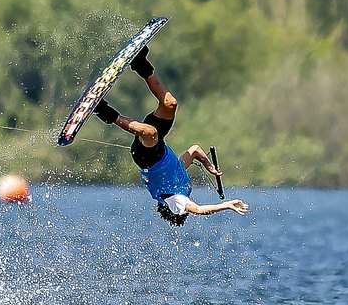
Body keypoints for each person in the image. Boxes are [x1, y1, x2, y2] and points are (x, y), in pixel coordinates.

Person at [93, 49, 250, 226]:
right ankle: (140, 64)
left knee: (149, 132)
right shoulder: (179, 179)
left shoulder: (174, 202)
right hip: (159, 144)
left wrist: (227, 205)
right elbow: (195, 150)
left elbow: (199, 210)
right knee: (170, 104)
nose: (188, 205)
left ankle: (103, 111)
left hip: (147, 157)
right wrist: (209, 166)